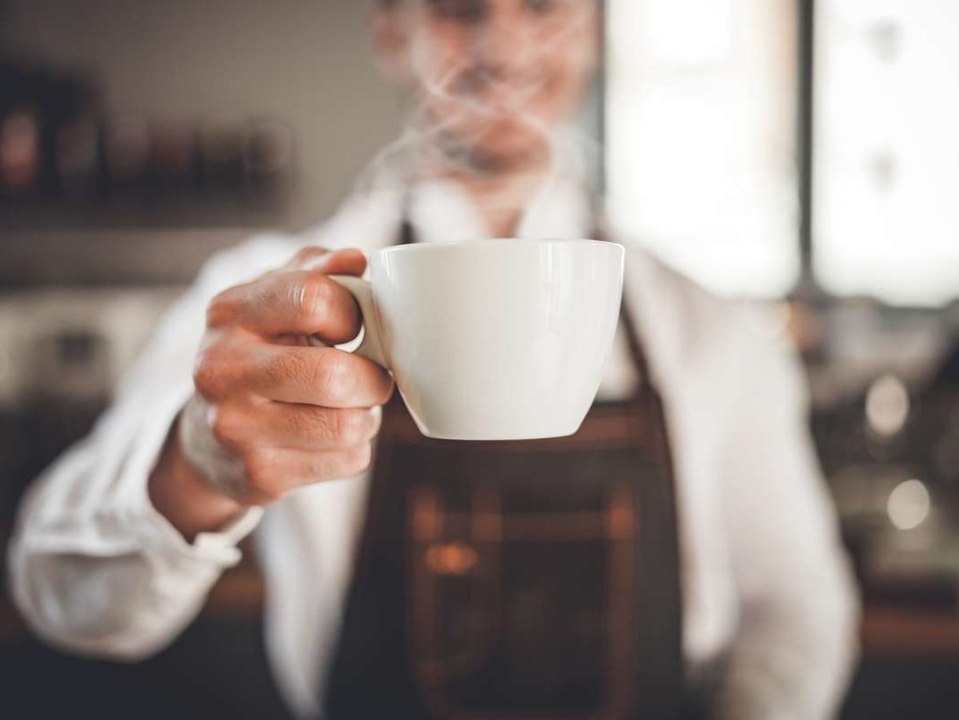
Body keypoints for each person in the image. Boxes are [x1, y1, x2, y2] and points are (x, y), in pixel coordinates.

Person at [9, 1, 859, 718]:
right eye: (457, 7)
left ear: (593, 27)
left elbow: (799, 610)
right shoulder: (259, 301)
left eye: (542, 4)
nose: (503, 44)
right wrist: (194, 467)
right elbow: (58, 594)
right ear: (389, 30)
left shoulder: (709, 328)